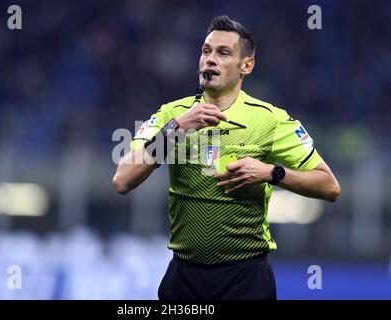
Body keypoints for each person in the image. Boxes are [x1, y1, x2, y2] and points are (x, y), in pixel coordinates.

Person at [112, 15, 341, 300]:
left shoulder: (269, 120)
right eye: (206, 51)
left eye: (223, 53)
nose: (210, 59)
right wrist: (177, 129)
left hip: (246, 278)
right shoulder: (172, 115)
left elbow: (330, 187)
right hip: (184, 277)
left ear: (247, 65)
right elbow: (122, 180)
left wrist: (272, 173)